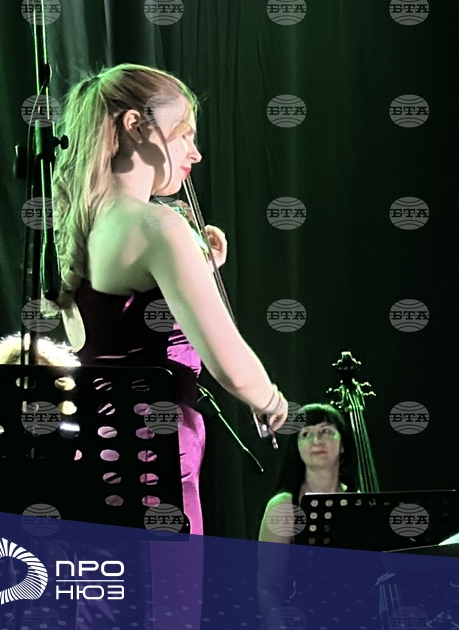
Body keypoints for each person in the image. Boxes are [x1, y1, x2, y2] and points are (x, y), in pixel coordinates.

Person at [52, 63, 289, 536]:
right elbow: (231, 366)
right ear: (135, 126)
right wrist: (271, 399)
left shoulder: (81, 225)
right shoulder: (159, 225)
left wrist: (197, 270)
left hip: (96, 455)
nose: (194, 153)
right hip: (153, 456)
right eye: (184, 135)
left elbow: (120, 329)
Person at [258, 403, 357, 545]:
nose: (316, 441)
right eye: (306, 434)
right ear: (297, 447)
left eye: (326, 431)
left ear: (342, 444)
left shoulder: (356, 500)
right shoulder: (284, 507)